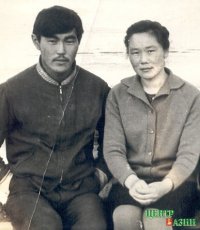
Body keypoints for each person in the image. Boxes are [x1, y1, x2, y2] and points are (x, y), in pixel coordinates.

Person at [0, 5, 110, 230]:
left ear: (79, 42)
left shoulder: (97, 88)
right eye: (52, 41)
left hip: (81, 190)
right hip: (28, 191)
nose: (61, 50)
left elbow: (114, 141)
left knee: (95, 226)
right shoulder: (11, 90)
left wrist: (101, 174)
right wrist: (6, 179)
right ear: (36, 41)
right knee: (45, 226)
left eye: (69, 41)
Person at [103, 20, 200, 230]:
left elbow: (189, 154)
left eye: (150, 51)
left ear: (165, 51)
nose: (143, 60)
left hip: (175, 184)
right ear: (128, 54)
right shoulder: (117, 95)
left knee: (157, 220)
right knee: (124, 217)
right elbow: (112, 150)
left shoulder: (191, 96)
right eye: (135, 52)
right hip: (130, 182)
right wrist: (131, 181)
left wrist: (165, 185)